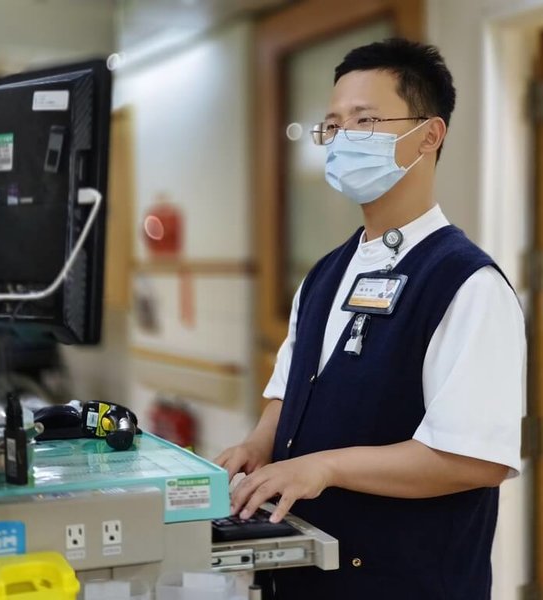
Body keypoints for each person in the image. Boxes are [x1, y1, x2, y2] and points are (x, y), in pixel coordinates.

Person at [215, 38, 525, 599]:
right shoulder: (325, 274)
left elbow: (474, 459)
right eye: (332, 125)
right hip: (307, 573)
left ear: (430, 135)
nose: (342, 139)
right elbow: (290, 391)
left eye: (365, 120)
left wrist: (326, 467)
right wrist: (258, 446)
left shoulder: (466, 283)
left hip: (408, 580)